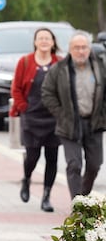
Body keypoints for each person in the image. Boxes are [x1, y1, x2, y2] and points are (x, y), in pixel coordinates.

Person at [42, 30, 106, 199]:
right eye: (76, 47)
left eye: (84, 47)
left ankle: (83, 197)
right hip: (69, 124)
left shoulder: (99, 66)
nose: (80, 51)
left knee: (94, 165)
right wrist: (60, 114)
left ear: (89, 49)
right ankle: (77, 205)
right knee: (74, 165)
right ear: (70, 49)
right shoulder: (60, 69)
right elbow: (47, 93)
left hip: (94, 123)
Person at [10, 28, 62, 212]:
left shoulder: (60, 63)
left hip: (54, 118)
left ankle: (46, 196)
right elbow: (15, 88)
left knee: (52, 157)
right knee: (32, 156)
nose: (44, 41)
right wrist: (24, 107)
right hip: (31, 116)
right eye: (40, 38)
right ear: (35, 42)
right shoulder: (25, 62)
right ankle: (26, 179)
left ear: (53, 42)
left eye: (47, 38)